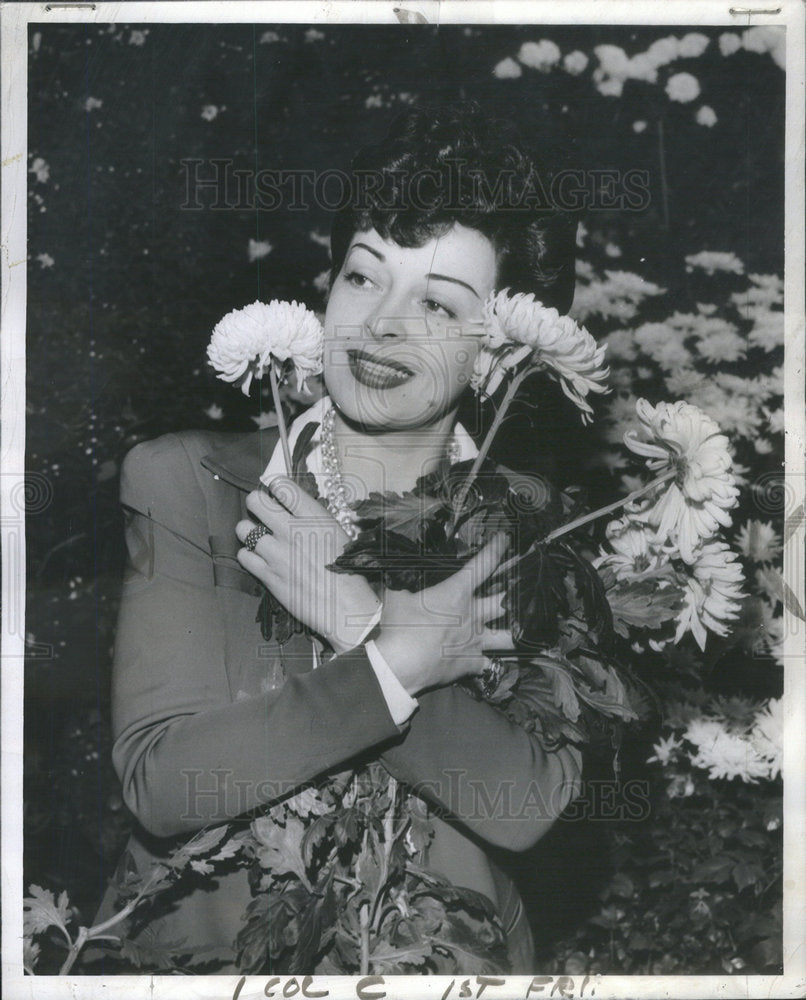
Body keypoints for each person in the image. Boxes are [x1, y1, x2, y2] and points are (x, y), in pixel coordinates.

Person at [98, 103, 583, 973]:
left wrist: (353, 615)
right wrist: (396, 663)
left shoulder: (532, 528)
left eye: (437, 303)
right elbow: (165, 786)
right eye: (364, 278)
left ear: (501, 354)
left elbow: (524, 800)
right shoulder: (190, 484)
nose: (380, 324)